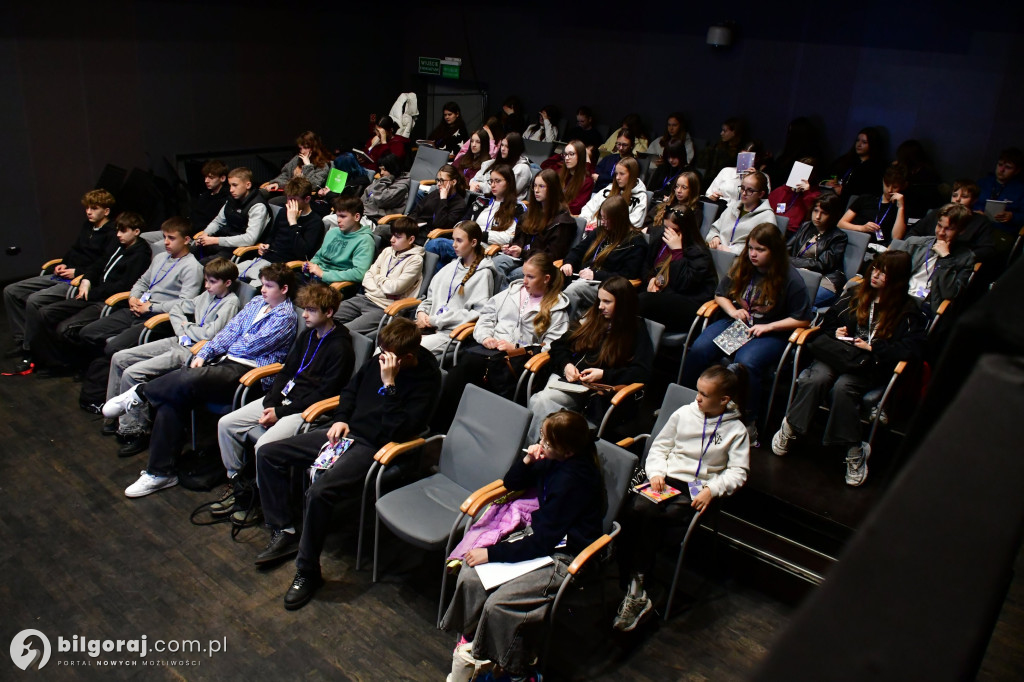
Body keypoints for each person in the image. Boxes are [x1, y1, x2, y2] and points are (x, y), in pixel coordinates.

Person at [253, 317, 440, 609]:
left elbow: (399, 431)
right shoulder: (380, 358)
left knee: (320, 491)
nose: (381, 360)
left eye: (388, 358)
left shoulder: (426, 380)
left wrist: (390, 385)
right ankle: (284, 530)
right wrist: (341, 418)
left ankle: (308, 571)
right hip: (347, 431)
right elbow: (351, 392)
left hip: (374, 447)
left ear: (406, 358)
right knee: (269, 454)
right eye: (381, 353)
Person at [441, 410, 604, 680]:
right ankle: (473, 643)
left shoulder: (574, 480)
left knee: (500, 604)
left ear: (567, 450)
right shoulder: (552, 458)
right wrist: (528, 460)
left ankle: (515, 670)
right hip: (541, 538)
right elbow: (511, 482)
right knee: (471, 576)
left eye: (547, 442)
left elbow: (543, 542)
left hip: (563, 555)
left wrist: (492, 553)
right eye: (541, 437)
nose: (541, 444)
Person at [121, 263, 297, 498]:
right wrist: (206, 351)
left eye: (269, 286)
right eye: (262, 284)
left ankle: (141, 392)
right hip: (226, 363)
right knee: (173, 399)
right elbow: (230, 330)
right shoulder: (256, 303)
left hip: (250, 376)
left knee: (189, 379)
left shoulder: (286, 316)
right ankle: (160, 473)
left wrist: (219, 348)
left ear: (284, 289)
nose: (263, 290)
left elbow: (249, 346)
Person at [772, 250, 926, 486]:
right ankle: (791, 425)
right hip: (839, 354)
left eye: (884, 272)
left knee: (843, 389)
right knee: (817, 378)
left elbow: (911, 350)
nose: (875, 275)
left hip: (869, 365)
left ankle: (854, 449)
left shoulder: (908, 311)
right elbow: (829, 322)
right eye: (875, 268)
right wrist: (836, 331)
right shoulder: (856, 293)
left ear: (897, 278)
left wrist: (874, 348)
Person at [613, 365, 750, 631]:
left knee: (648, 512)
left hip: (699, 487)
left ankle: (635, 581)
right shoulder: (684, 413)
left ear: (724, 400)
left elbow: (738, 471)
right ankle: (639, 582)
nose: (697, 398)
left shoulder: (737, 431)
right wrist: (656, 473)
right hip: (667, 479)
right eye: (698, 391)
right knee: (638, 509)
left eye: (704, 395)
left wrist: (713, 489)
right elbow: (660, 447)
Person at [211, 283, 354, 519]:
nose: (304, 315)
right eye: (304, 309)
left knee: (263, 447)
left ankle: (258, 496)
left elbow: (325, 393)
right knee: (226, 424)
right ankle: (239, 486)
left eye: (311, 310)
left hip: (306, 410)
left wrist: (280, 412)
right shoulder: (308, 334)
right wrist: (272, 402)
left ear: (328, 312)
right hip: (283, 400)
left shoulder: (341, 347)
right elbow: (286, 371)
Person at [101, 258, 241, 455]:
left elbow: (212, 334)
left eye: (212, 282)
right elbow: (178, 308)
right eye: (206, 281)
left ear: (227, 283)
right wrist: (183, 331)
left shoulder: (231, 303)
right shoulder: (206, 295)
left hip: (193, 351)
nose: (207, 286)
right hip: (180, 340)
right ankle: (114, 417)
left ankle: (135, 430)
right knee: (120, 357)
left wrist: (188, 328)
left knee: (132, 373)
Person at [681, 223, 812, 429]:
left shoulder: (790, 278)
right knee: (699, 349)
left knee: (746, 362)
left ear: (774, 251)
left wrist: (770, 327)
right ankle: (686, 402)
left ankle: (747, 421)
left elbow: (802, 319)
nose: (753, 254)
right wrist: (733, 311)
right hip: (738, 324)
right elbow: (720, 295)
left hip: (770, 331)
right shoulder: (743, 265)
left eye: (760, 249)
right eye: (751, 248)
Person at [75, 217, 205, 410]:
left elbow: (185, 304)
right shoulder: (161, 258)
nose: (166, 242)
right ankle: (99, 389)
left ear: (186, 240)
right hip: (137, 309)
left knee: (113, 348)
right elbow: (142, 282)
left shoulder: (192, 267)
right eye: (164, 237)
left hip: (157, 319)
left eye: (171, 238)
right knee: (88, 333)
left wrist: (150, 307)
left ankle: (101, 396)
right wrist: (134, 298)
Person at [433, 253, 570, 430]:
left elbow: (554, 346)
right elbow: (487, 317)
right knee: (459, 372)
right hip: (490, 350)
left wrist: (518, 348)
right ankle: (442, 427)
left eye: (530, 277)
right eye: (524, 275)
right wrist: (486, 337)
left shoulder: (557, 308)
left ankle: (477, 431)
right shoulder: (511, 292)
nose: (524, 281)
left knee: (484, 376)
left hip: (519, 361)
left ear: (546, 278)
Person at [525, 276, 653, 441]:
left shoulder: (635, 331)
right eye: (599, 300)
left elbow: (641, 372)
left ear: (623, 304)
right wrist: (566, 365)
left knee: (541, 401)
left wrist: (604, 375)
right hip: (568, 379)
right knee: (541, 401)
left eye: (607, 302)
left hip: (595, 393)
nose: (600, 306)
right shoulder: (592, 318)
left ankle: (534, 450)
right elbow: (559, 346)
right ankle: (542, 449)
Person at [23, 212, 151, 374]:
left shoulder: (140, 254)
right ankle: (51, 361)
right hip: (93, 293)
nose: (118, 234)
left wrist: (93, 292)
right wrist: (87, 280)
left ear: (136, 232)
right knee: (45, 312)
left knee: (65, 328)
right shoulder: (118, 245)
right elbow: (99, 264)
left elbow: (122, 286)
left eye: (123, 231)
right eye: (117, 230)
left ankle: (70, 365)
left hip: (106, 301)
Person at [4, 188, 117, 361]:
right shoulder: (88, 226)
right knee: (11, 291)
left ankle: (31, 349)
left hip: (79, 280)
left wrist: (78, 272)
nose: (88, 212)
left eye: (94, 208)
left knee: (35, 300)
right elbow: (75, 249)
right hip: (64, 273)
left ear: (106, 211)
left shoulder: (112, 233)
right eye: (87, 208)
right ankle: (22, 340)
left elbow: (103, 263)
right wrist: (63, 263)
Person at [415, 222, 497, 358]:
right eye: (453, 239)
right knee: (387, 341)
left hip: (450, 333)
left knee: (403, 349)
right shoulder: (450, 267)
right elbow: (430, 298)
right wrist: (422, 312)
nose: (454, 244)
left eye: (459, 240)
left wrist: (437, 320)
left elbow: (478, 313)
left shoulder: (484, 274)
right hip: (429, 326)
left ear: (473, 242)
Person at [333, 218, 424, 335]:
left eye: (398, 237)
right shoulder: (387, 251)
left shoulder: (416, 260)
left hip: (384, 308)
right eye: (392, 235)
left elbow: (394, 288)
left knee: (342, 331)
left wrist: (378, 278)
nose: (392, 240)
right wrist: (381, 286)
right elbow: (367, 276)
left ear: (411, 239)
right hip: (365, 298)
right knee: (325, 317)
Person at [561, 195, 648, 316]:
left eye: (606, 219)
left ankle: (562, 327)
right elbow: (577, 251)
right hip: (583, 278)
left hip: (607, 287)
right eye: (601, 217)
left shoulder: (635, 242)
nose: (602, 222)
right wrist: (568, 263)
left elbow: (627, 276)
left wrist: (596, 275)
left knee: (574, 290)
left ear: (618, 219)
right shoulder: (600, 232)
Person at [638, 205, 717, 332]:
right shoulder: (660, 239)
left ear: (686, 230)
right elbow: (646, 265)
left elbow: (684, 284)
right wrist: (651, 279)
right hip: (660, 296)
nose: (669, 234)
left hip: (687, 304)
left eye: (674, 230)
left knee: (643, 301)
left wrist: (677, 252)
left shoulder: (699, 252)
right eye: (666, 228)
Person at [237, 176, 325, 285]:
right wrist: (265, 246)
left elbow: (303, 253)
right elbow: (272, 236)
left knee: (254, 285)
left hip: (287, 266)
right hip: (268, 258)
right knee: (229, 274)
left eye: (294, 200)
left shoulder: (315, 222)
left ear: (307, 199)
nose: (289, 203)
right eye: (288, 198)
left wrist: (293, 222)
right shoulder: (283, 211)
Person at [492, 169, 575, 284]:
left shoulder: (563, 222)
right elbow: (520, 240)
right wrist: (512, 248)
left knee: (511, 276)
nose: (536, 190)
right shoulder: (530, 213)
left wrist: (522, 252)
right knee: (493, 265)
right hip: (522, 258)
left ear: (552, 190)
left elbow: (551, 256)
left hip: (540, 266)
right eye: (535, 186)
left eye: (542, 186)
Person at [890, 203, 976, 313]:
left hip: (924, 307)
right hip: (898, 297)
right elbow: (890, 271)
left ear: (961, 230)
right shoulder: (914, 243)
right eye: (939, 225)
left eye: (948, 229)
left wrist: (946, 258)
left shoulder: (966, 258)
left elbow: (949, 293)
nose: (941, 233)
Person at [907, 179, 996, 265]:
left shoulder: (981, 222)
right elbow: (911, 234)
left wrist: (960, 257)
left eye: (964, 197)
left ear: (974, 200)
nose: (957, 199)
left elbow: (987, 250)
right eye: (954, 195)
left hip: (956, 264)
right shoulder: (937, 213)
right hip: (925, 256)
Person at [196, 167, 271, 261]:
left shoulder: (258, 206)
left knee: (202, 264)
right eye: (230, 185)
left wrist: (216, 240)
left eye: (235, 185)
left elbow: (250, 239)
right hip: (224, 241)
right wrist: (205, 235)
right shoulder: (232, 199)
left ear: (248, 185)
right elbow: (218, 222)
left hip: (238, 248)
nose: (231, 190)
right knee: (189, 252)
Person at [787, 194, 848, 308]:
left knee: (798, 304)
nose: (817, 216)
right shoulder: (806, 226)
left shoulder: (838, 237)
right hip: (799, 275)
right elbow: (785, 249)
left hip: (825, 280)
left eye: (824, 213)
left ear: (832, 215)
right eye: (816, 210)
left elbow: (823, 265)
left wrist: (791, 262)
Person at [303, 196, 374, 287]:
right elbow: (319, 256)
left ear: (356, 217)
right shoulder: (333, 232)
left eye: (343, 216)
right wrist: (310, 265)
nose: (338, 220)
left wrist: (324, 274)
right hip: (315, 278)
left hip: (335, 285)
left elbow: (359, 273)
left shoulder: (365, 240)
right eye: (337, 216)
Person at [706, 171, 778, 254]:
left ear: (761, 194)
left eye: (750, 190)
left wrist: (732, 251)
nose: (744, 193)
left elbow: (764, 249)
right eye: (742, 188)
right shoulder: (732, 208)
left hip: (741, 261)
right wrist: (714, 237)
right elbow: (714, 228)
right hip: (717, 253)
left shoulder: (767, 217)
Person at [392, 164, 468, 241]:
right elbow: (416, 211)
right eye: (438, 180)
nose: (438, 184)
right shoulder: (435, 193)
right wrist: (409, 225)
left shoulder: (459, 204)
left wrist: (443, 199)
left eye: (442, 180)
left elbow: (440, 224)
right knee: (384, 229)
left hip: (430, 236)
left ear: (453, 182)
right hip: (414, 229)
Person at [837, 165, 908, 247]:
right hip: (854, 243)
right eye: (887, 185)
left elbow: (896, 238)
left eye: (895, 187)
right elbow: (841, 224)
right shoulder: (866, 199)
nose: (889, 190)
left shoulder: (900, 209)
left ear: (901, 187)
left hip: (878, 248)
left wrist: (901, 208)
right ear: (883, 181)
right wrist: (862, 228)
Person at [972, 147, 1024, 246]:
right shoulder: (983, 183)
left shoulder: (1020, 190)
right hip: (976, 224)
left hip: (1001, 231)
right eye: (1000, 165)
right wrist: (976, 212)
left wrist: (1012, 216)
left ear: (1017, 171)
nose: (1002, 170)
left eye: (1008, 167)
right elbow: (968, 203)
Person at [581, 157, 649, 230]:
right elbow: (589, 208)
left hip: (615, 236)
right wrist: (586, 222)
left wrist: (601, 226)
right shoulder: (609, 189)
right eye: (616, 174)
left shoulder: (640, 197)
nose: (617, 177)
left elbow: (634, 224)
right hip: (590, 229)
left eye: (622, 174)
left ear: (632, 175)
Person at [261, 131, 332, 194]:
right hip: (290, 193)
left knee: (273, 201)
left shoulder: (322, 164)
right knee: (262, 193)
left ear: (314, 148)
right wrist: (277, 183)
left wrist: (307, 165)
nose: (302, 151)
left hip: (305, 198)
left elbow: (313, 186)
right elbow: (285, 175)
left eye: (306, 148)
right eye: (301, 148)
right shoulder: (297, 159)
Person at [824, 127, 887, 198]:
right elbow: (828, 174)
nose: (859, 144)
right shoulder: (846, 160)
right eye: (857, 140)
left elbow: (867, 191)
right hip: (831, 197)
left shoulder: (875, 168)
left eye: (864, 142)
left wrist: (844, 191)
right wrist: (828, 182)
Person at [705, 141, 770, 205]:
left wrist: (754, 178)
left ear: (756, 159)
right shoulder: (726, 171)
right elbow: (709, 194)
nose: (743, 161)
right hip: (722, 208)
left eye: (747, 158)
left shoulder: (763, 177)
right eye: (741, 157)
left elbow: (764, 202)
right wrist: (712, 197)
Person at [469, 133, 532, 200]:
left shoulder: (522, 168)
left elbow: (504, 191)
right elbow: (474, 180)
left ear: (515, 149)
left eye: (507, 146)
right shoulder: (492, 163)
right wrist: (475, 184)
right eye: (502, 145)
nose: (502, 149)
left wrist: (479, 185)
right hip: (482, 199)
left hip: (504, 205)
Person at [768, 157, 821, 231]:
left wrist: (807, 193)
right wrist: (788, 190)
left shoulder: (815, 195)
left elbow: (813, 212)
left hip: (794, 232)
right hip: (773, 225)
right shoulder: (781, 190)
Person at [360, 153, 411, 221]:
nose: (381, 173)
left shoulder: (401, 187)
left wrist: (385, 180)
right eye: (380, 169)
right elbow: (366, 194)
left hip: (378, 219)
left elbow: (380, 200)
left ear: (393, 169)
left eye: (384, 169)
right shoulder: (382, 180)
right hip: (365, 213)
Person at [698, 117, 746, 186]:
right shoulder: (717, 147)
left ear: (734, 132)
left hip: (729, 182)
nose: (721, 133)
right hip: (713, 181)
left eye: (725, 131)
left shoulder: (741, 151)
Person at [553, 140, 595, 215]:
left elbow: (575, 208)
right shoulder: (559, 173)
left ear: (581, 156)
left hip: (565, 217)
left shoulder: (587, 181)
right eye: (565, 154)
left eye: (571, 154)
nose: (567, 158)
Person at [190, 160, 230, 236]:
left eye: (211, 177)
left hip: (209, 236)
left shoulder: (227, 198)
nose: (206, 181)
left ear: (222, 178)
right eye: (205, 177)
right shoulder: (204, 196)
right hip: (194, 233)